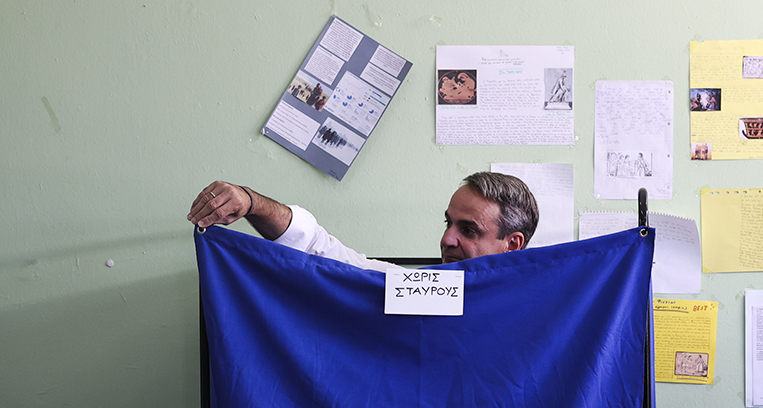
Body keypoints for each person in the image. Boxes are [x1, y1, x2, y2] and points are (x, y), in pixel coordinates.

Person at [187, 172, 539, 271]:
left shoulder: (543, 314)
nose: (447, 240)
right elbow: (318, 249)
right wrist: (252, 202)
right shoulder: (415, 290)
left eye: (468, 230)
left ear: (512, 244)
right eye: (448, 223)